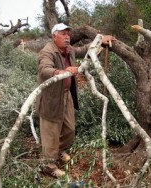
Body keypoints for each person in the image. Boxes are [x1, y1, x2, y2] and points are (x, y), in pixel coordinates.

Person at [36, 23, 115, 177]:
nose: (67, 37)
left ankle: (58, 151)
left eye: (68, 34)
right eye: (63, 34)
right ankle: (48, 166)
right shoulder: (47, 52)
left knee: (70, 130)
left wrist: (100, 40)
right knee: (51, 133)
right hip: (51, 99)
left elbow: (83, 50)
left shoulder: (69, 50)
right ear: (54, 36)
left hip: (66, 95)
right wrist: (62, 71)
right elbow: (44, 70)